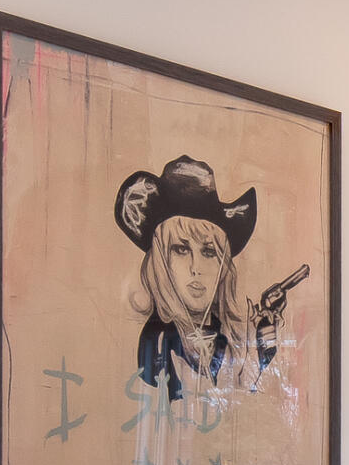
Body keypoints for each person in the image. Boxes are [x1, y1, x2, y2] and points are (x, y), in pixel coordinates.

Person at [111, 156, 300, 399]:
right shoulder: (158, 340)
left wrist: (261, 341)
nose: (196, 268)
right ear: (160, 261)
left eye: (209, 252)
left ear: (222, 265)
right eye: (181, 249)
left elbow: (246, 395)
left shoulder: (227, 333)